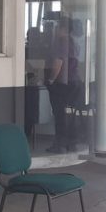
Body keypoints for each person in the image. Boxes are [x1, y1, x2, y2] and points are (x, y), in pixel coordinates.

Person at [45, 17, 73, 152]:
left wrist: (51, 80)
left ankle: (59, 144)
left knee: (59, 115)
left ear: (63, 29)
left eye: (57, 27)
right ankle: (70, 143)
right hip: (72, 82)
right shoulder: (72, 42)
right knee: (67, 114)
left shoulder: (60, 42)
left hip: (60, 84)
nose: (55, 30)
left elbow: (58, 63)